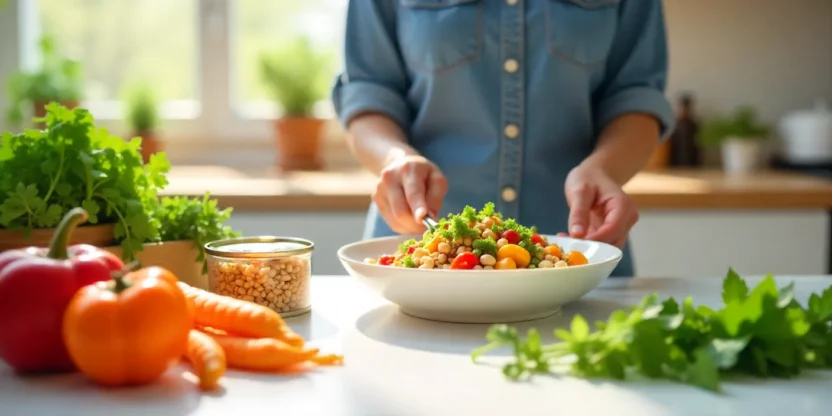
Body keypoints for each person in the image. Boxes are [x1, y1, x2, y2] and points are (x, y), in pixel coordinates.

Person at [330, 0, 675, 277]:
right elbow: (368, 93)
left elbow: (636, 95)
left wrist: (606, 169)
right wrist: (394, 157)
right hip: (417, 252)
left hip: (579, 252)